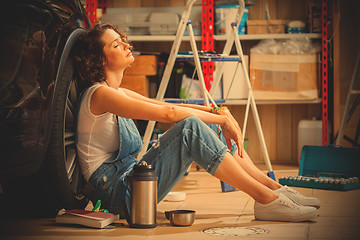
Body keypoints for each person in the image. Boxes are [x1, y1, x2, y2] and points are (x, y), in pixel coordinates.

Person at [73, 23, 320, 222]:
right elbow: (169, 114)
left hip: (134, 183)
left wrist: (218, 112)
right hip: (119, 196)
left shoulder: (116, 92)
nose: (126, 45)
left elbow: (166, 105)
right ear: (100, 60)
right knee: (191, 128)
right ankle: (266, 200)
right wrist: (223, 119)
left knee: (206, 125)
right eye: (116, 44)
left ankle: (275, 188)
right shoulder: (100, 95)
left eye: (123, 39)